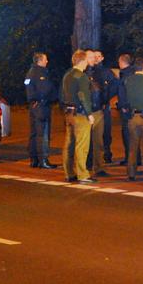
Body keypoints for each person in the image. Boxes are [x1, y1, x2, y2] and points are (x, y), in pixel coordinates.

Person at [61, 49, 96, 183]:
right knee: (82, 145)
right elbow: (83, 96)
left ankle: (69, 172)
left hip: (69, 112)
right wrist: (89, 114)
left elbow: (62, 94)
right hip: (80, 114)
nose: (88, 63)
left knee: (69, 143)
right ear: (82, 61)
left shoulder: (67, 75)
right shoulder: (81, 76)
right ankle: (83, 174)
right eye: (86, 60)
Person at [24, 51, 57, 169]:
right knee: (42, 134)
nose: (47, 61)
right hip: (42, 106)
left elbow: (29, 87)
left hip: (33, 106)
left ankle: (34, 159)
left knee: (34, 133)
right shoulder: (40, 73)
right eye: (45, 59)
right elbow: (46, 89)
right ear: (40, 61)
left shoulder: (30, 72)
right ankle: (43, 160)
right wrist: (53, 97)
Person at [84, 50, 108, 178]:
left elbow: (107, 88)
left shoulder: (100, 72)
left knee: (98, 141)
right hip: (85, 112)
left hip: (98, 111)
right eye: (91, 57)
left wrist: (105, 101)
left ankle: (99, 167)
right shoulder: (80, 73)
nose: (93, 59)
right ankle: (83, 166)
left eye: (95, 57)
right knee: (84, 142)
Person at [92, 50, 119, 164]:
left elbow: (114, 85)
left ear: (102, 58)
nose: (96, 58)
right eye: (95, 57)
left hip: (104, 106)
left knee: (106, 131)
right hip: (93, 107)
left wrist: (106, 98)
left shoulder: (107, 72)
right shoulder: (89, 71)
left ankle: (107, 153)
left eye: (99, 56)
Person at [116, 53, 134, 166]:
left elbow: (123, 93)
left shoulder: (125, 75)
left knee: (127, 134)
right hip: (132, 107)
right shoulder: (132, 73)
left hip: (126, 109)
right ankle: (135, 158)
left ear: (122, 62)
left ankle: (130, 158)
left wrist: (123, 106)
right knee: (133, 134)